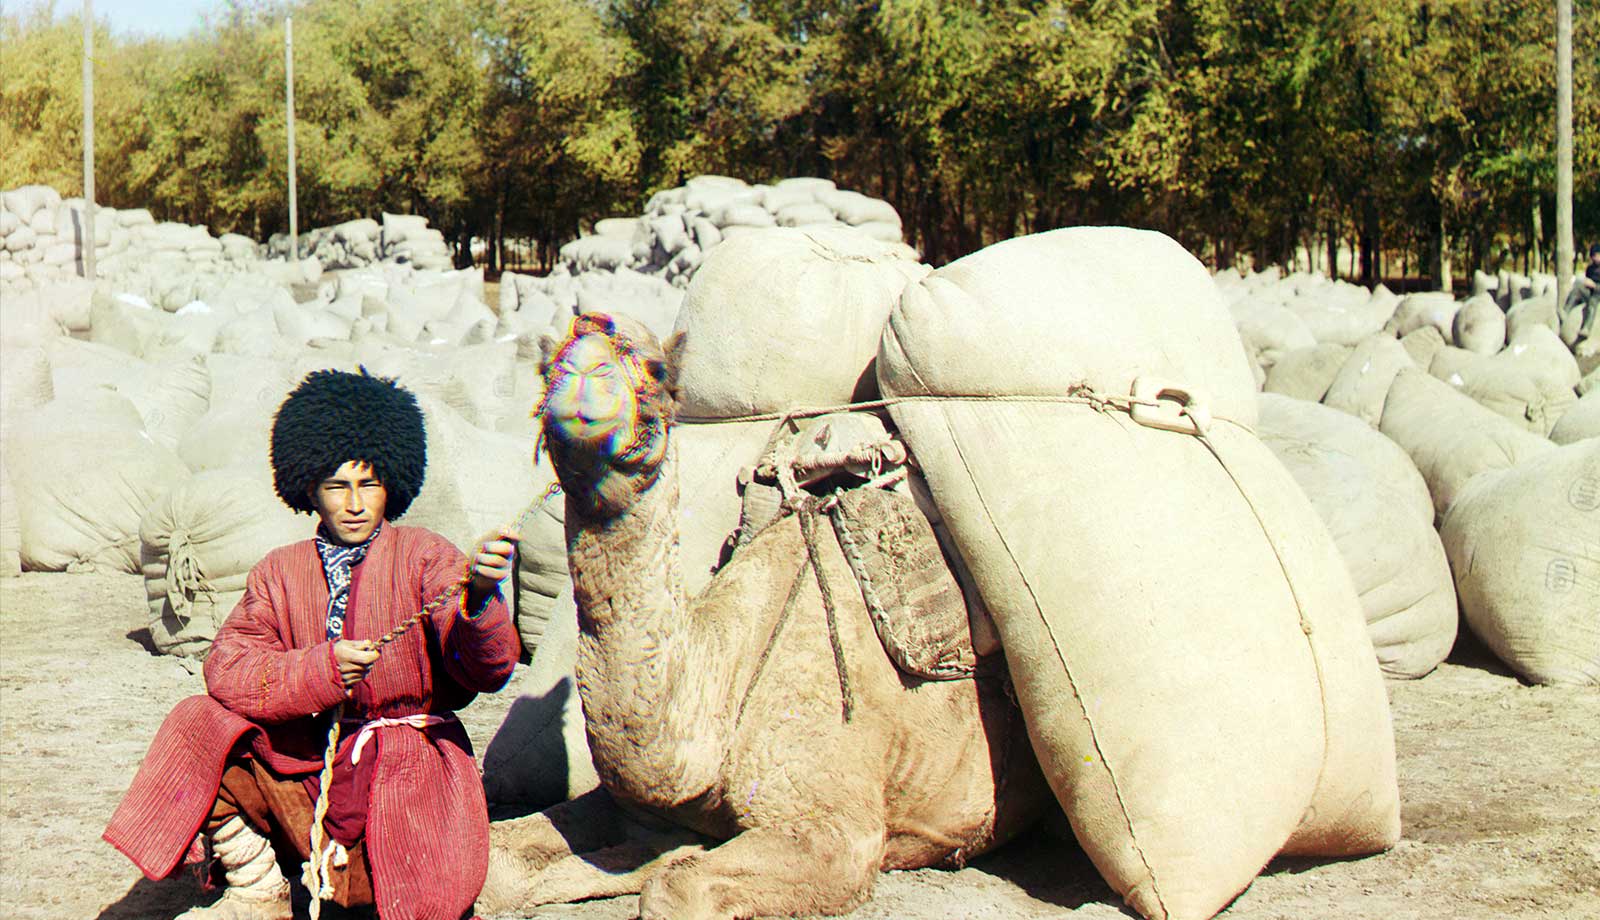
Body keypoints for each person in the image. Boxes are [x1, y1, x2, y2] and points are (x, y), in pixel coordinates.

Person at [105, 369, 522, 920]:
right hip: (307, 761)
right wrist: (318, 670)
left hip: (406, 770)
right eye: (336, 486)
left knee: (397, 894)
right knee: (200, 722)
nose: (354, 503)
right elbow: (228, 666)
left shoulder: (426, 555)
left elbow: (486, 667)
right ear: (309, 489)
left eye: (368, 484)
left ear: (392, 483)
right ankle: (258, 885)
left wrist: (482, 597)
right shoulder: (280, 572)